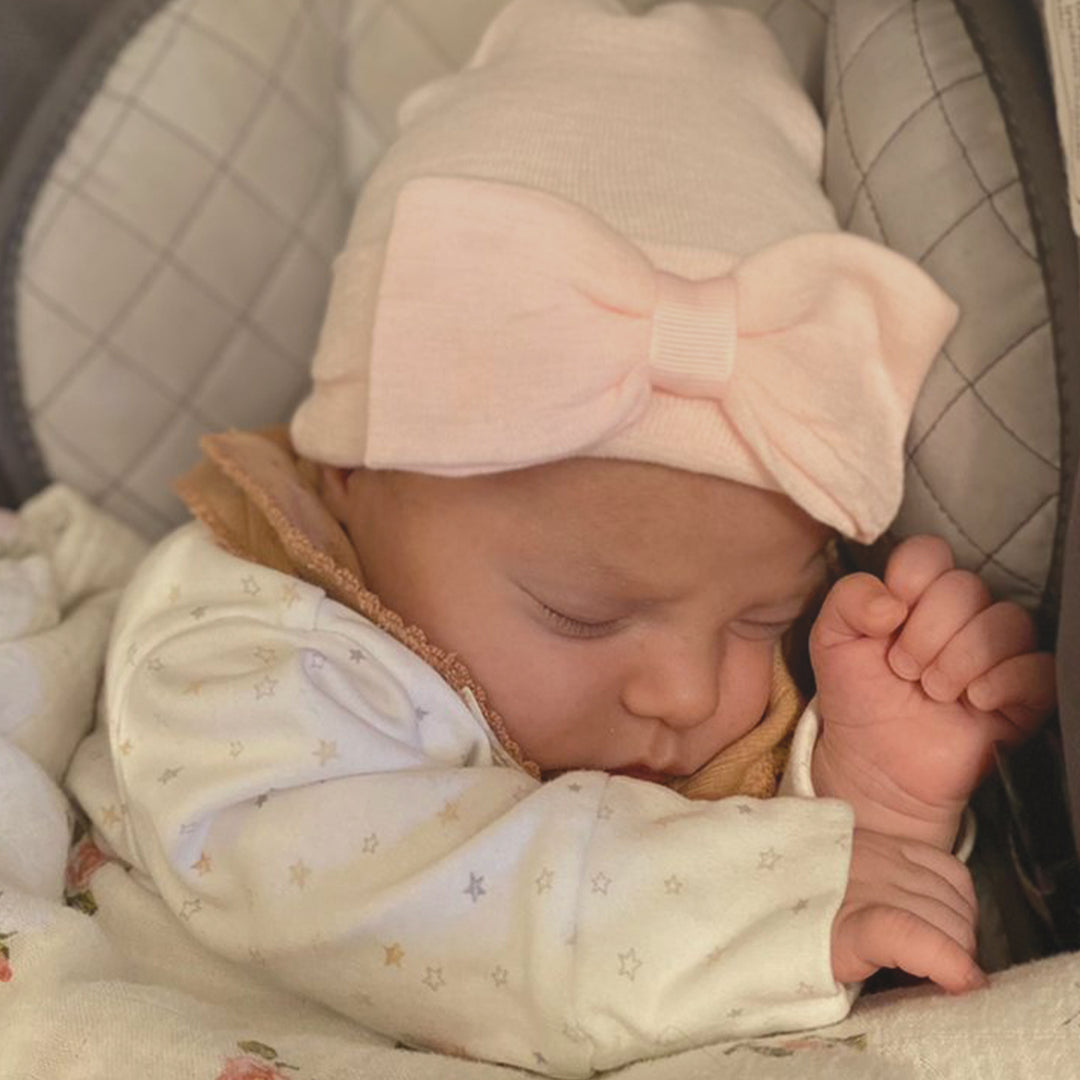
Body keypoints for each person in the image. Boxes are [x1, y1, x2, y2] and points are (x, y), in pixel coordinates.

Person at [66, 0, 1055, 1074]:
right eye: (583, 612)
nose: (688, 694)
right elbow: (376, 885)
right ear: (353, 478)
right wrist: (768, 909)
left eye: (766, 617)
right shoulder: (238, 641)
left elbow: (780, 884)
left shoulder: (676, 666)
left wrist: (869, 798)